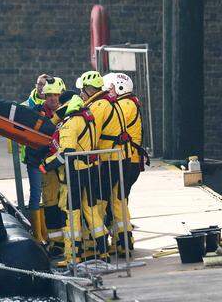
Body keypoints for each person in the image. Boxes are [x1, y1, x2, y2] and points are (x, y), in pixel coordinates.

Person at [43, 94, 109, 265]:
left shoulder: (70, 123)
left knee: (71, 215)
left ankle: (73, 256)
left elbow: (66, 153)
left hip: (74, 174)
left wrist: (45, 164)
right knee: (92, 211)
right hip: (90, 171)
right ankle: (104, 252)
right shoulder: (89, 118)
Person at [76, 70, 132, 256]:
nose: (81, 96)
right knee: (118, 201)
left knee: (97, 201)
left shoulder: (98, 106)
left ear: (87, 90)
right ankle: (125, 242)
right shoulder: (112, 102)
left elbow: (92, 132)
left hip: (108, 160)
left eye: (82, 92)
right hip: (122, 157)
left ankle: (97, 245)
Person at [103, 72, 149, 251]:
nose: (107, 92)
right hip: (128, 160)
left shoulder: (124, 105)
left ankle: (123, 242)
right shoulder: (128, 103)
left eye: (110, 89)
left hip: (127, 160)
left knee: (117, 201)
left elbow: (108, 123)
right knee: (119, 201)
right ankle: (120, 241)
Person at [23, 77, 65, 247]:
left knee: (62, 200)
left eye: (55, 94)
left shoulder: (68, 111)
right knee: (41, 199)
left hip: (59, 163)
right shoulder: (36, 111)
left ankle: (62, 239)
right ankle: (41, 237)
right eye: (49, 95)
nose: (52, 98)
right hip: (39, 162)